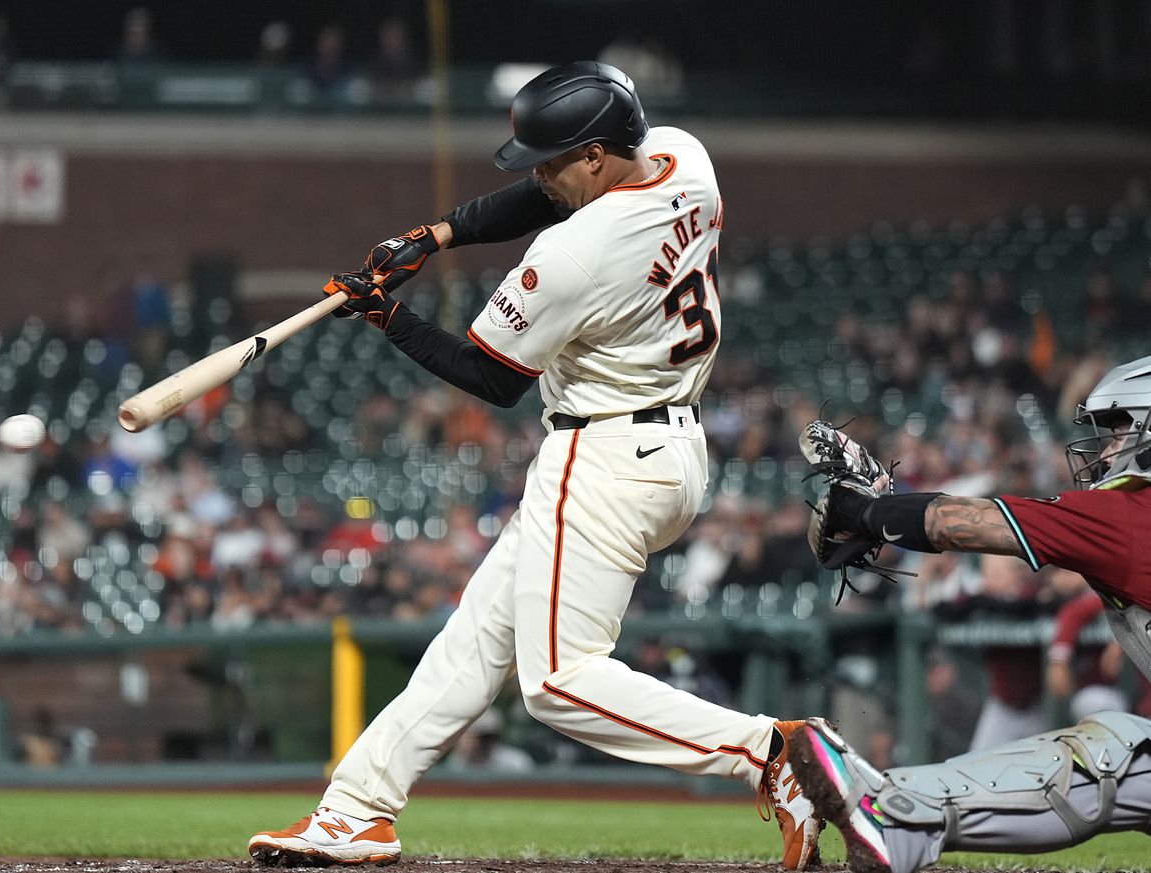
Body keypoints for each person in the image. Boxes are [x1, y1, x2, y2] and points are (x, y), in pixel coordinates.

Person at [249, 61, 822, 870]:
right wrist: (436, 235)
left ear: (594, 155)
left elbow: (494, 379)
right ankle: (355, 810)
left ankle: (769, 750)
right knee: (475, 643)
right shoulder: (684, 157)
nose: (539, 176)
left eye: (553, 160)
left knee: (557, 681)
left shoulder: (576, 252)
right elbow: (542, 196)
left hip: (605, 453)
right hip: (670, 447)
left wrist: (389, 317)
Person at [789, 354, 1151, 873]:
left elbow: (968, 523)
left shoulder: (1132, 515)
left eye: (1120, 429)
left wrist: (864, 512)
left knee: (1119, 750)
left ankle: (898, 814)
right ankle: (899, 821)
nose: (1107, 446)